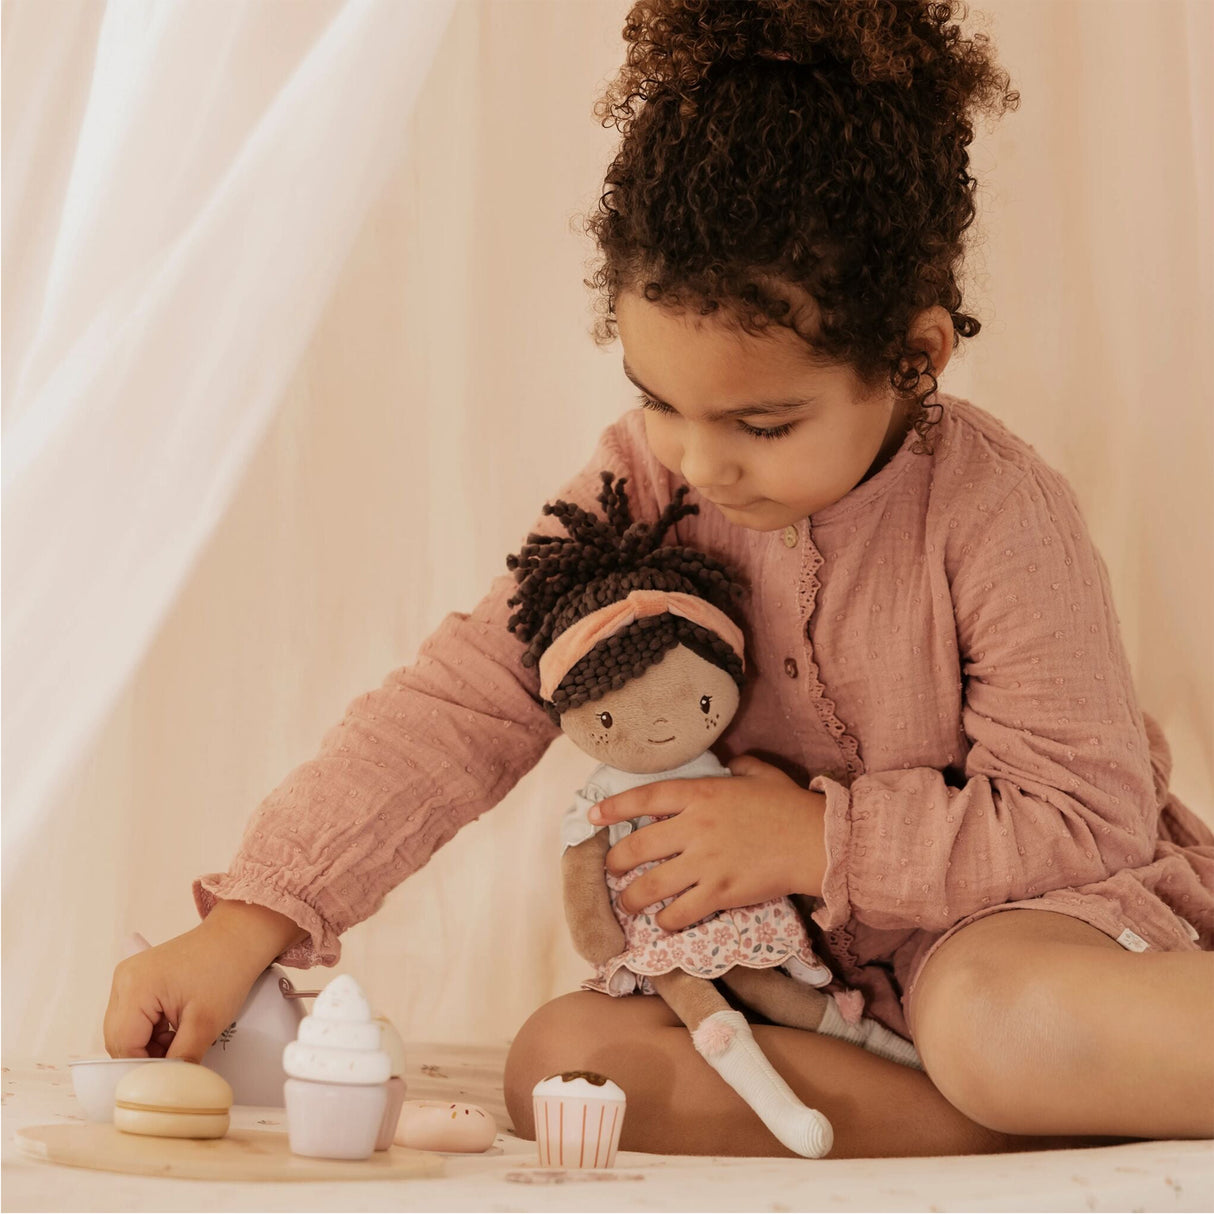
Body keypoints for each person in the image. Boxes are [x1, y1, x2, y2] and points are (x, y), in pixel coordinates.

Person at [103, 0, 1214, 1159]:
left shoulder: (993, 512)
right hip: (797, 994)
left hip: (1006, 934)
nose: (698, 458)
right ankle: (1010, 1124)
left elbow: (1082, 822)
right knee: (564, 1067)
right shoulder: (645, 482)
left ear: (913, 356)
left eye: (762, 421)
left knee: (992, 1016)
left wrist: (811, 841)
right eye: (656, 398)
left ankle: (1019, 1081)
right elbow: (466, 699)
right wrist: (251, 920)